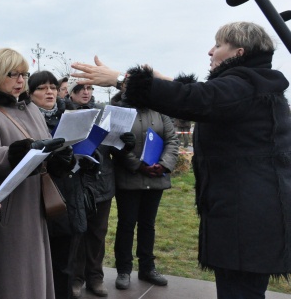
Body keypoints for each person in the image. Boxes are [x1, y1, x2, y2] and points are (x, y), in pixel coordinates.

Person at [71, 21, 291, 299]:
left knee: (240, 291)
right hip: (252, 208)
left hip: (246, 214)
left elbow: (198, 99)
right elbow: (204, 98)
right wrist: (163, 81)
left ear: (238, 52)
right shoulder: (251, 84)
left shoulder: (244, 85)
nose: (210, 51)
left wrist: (121, 79)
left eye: (218, 45)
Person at [0, 49, 75, 299]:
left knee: (36, 268)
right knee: (14, 274)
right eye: (13, 74)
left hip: (35, 200)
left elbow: (44, 142)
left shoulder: (29, 107)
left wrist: (59, 155)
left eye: (24, 74)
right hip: (10, 206)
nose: (20, 81)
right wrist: (18, 153)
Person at [109, 87, 178, 290]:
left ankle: (147, 267)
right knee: (126, 224)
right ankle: (123, 270)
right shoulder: (119, 110)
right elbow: (114, 142)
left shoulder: (160, 111)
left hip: (155, 177)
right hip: (129, 178)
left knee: (148, 224)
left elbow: (172, 140)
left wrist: (164, 164)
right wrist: (138, 165)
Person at [28, 71, 87, 299]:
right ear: (30, 93)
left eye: (53, 87)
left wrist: (89, 160)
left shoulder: (69, 115)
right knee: (41, 263)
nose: (49, 91)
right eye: (42, 88)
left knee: (64, 263)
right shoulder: (26, 119)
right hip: (39, 196)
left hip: (68, 195)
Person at [69, 83, 114, 297]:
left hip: (101, 181)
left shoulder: (104, 114)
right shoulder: (64, 113)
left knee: (98, 233)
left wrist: (125, 142)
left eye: (89, 88)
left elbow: (112, 146)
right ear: (70, 92)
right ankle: (76, 278)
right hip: (76, 181)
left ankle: (96, 277)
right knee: (78, 232)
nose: (86, 92)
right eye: (80, 88)